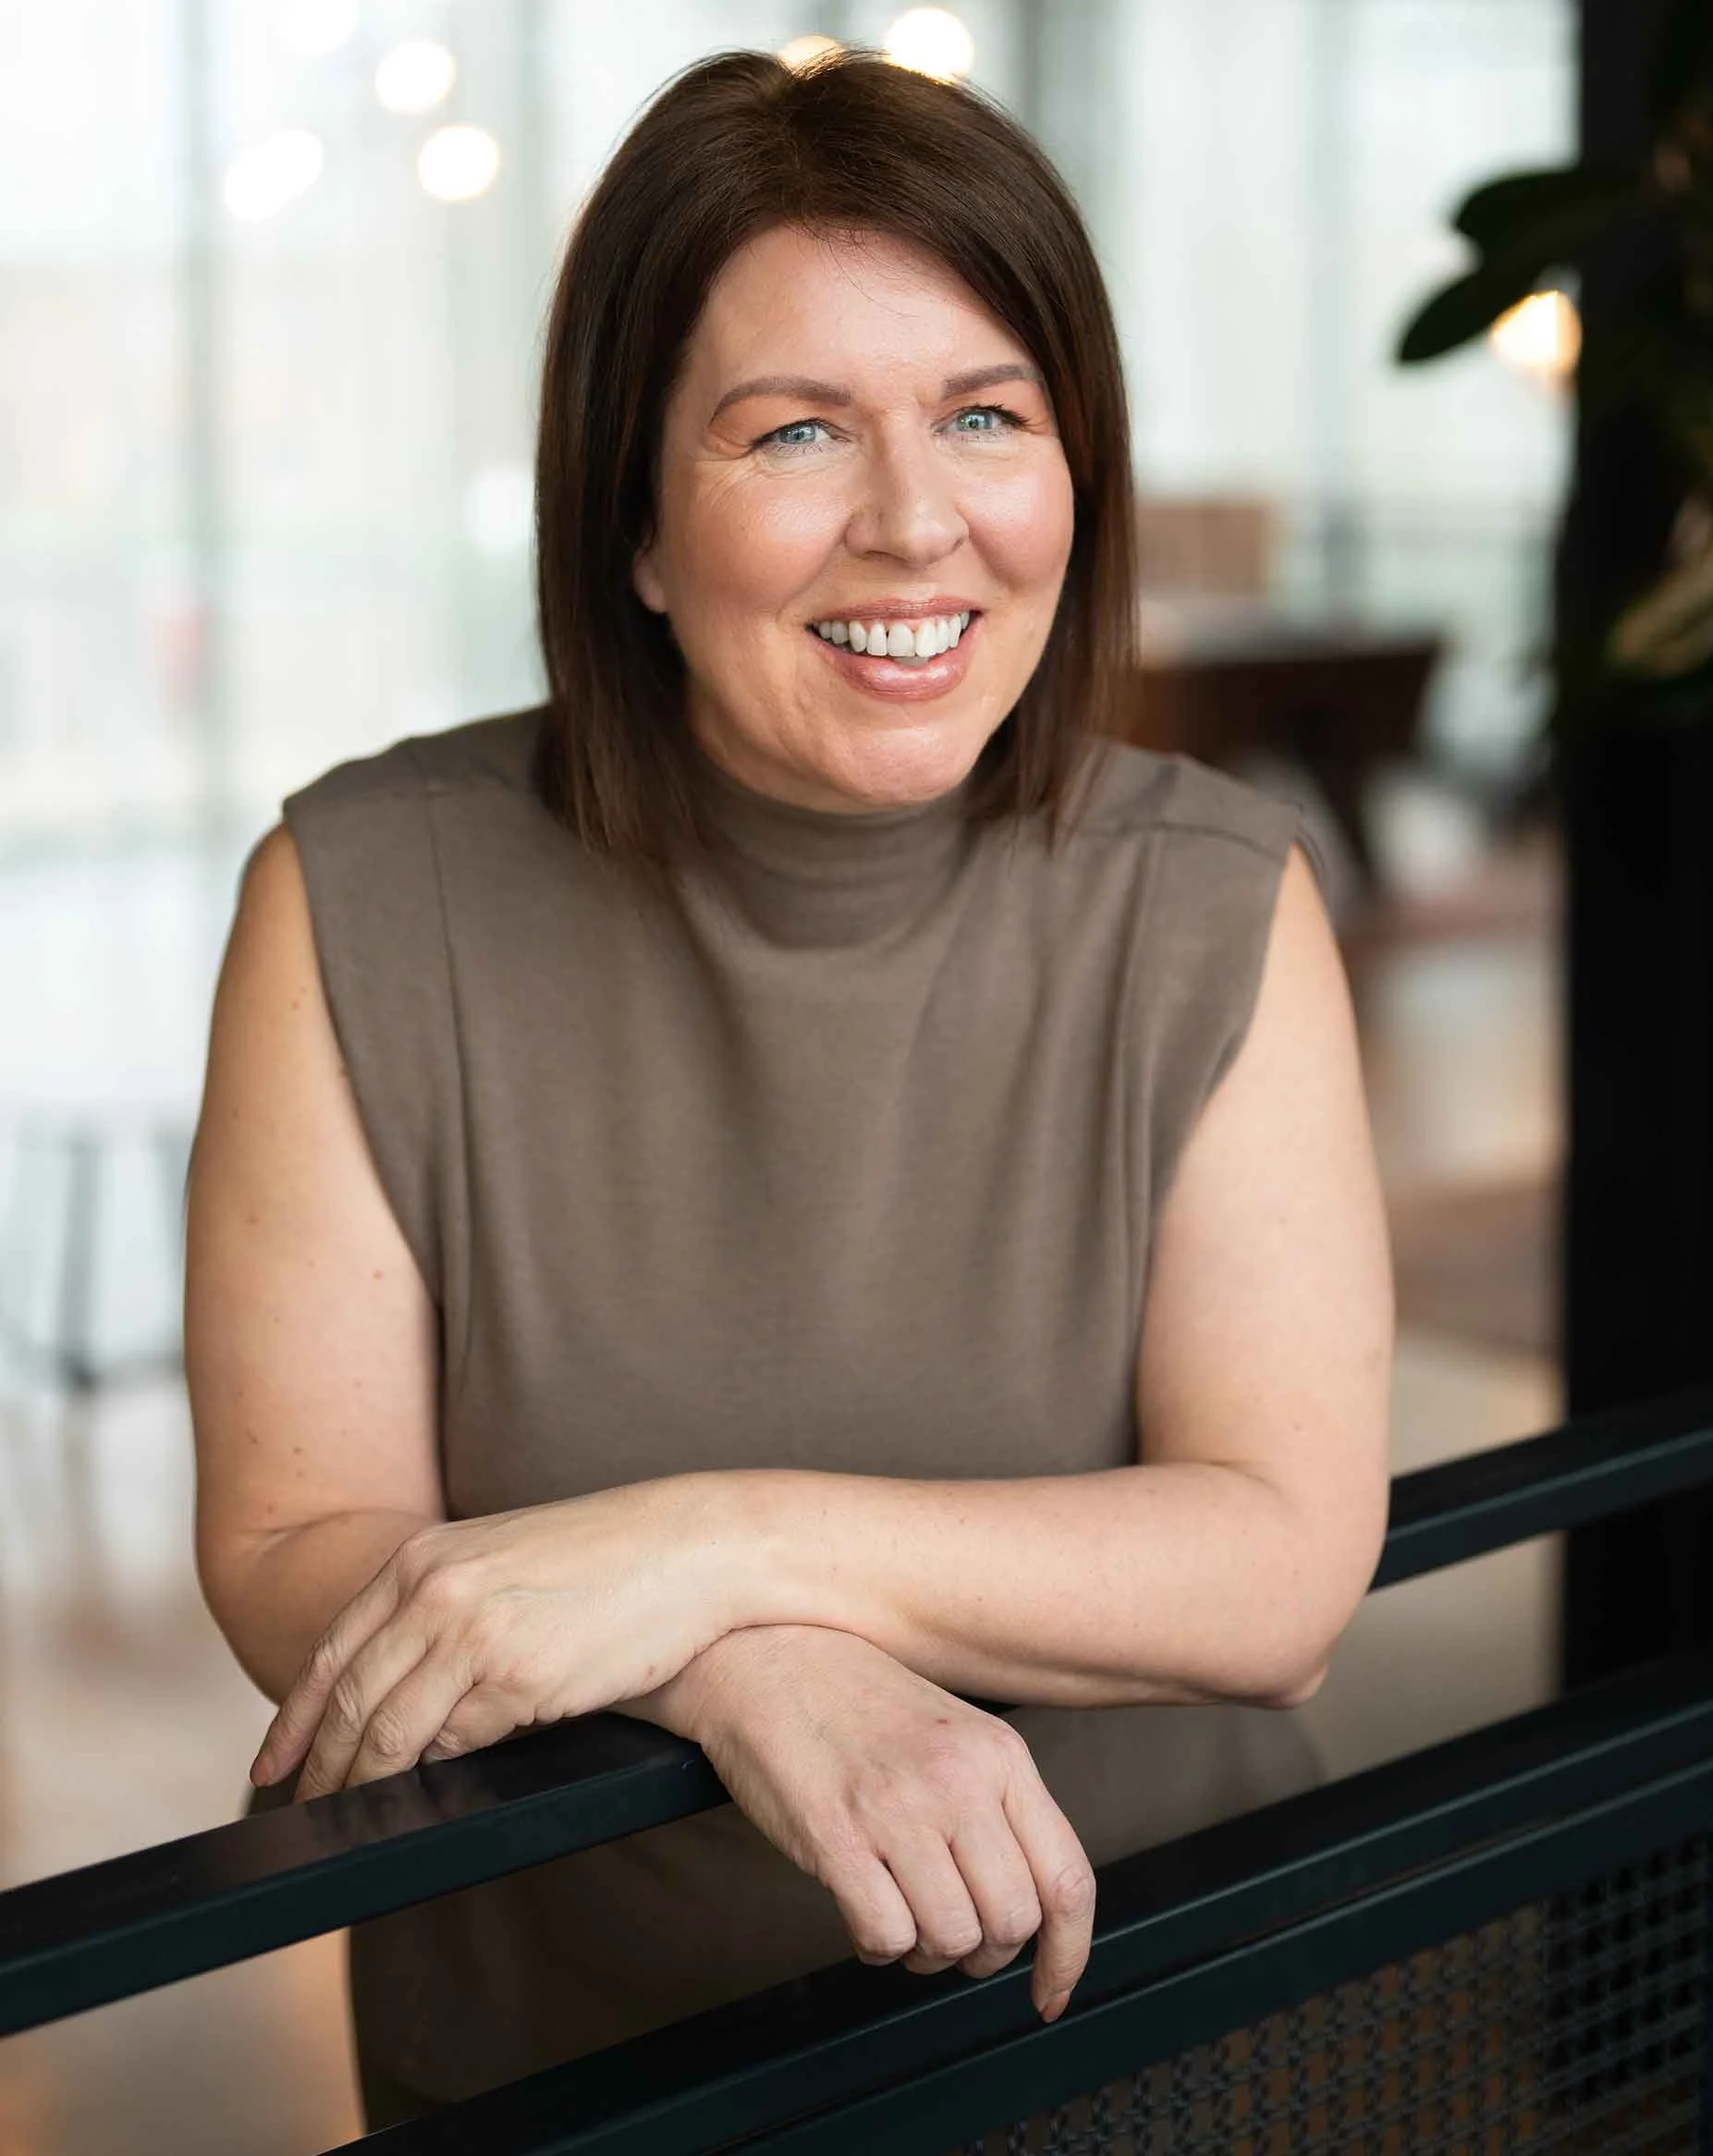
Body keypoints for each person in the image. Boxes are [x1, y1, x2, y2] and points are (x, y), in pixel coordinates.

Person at [184, 43, 1394, 2132]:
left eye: (985, 416)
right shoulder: (360, 894)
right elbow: (295, 1533)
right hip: (567, 2070)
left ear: (1071, 470)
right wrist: (746, 1659)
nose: (914, 519)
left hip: (1129, 2045)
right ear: (634, 521)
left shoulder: (1213, 895)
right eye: (797, 429)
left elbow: (1275, 1563)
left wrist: (695, 1543)